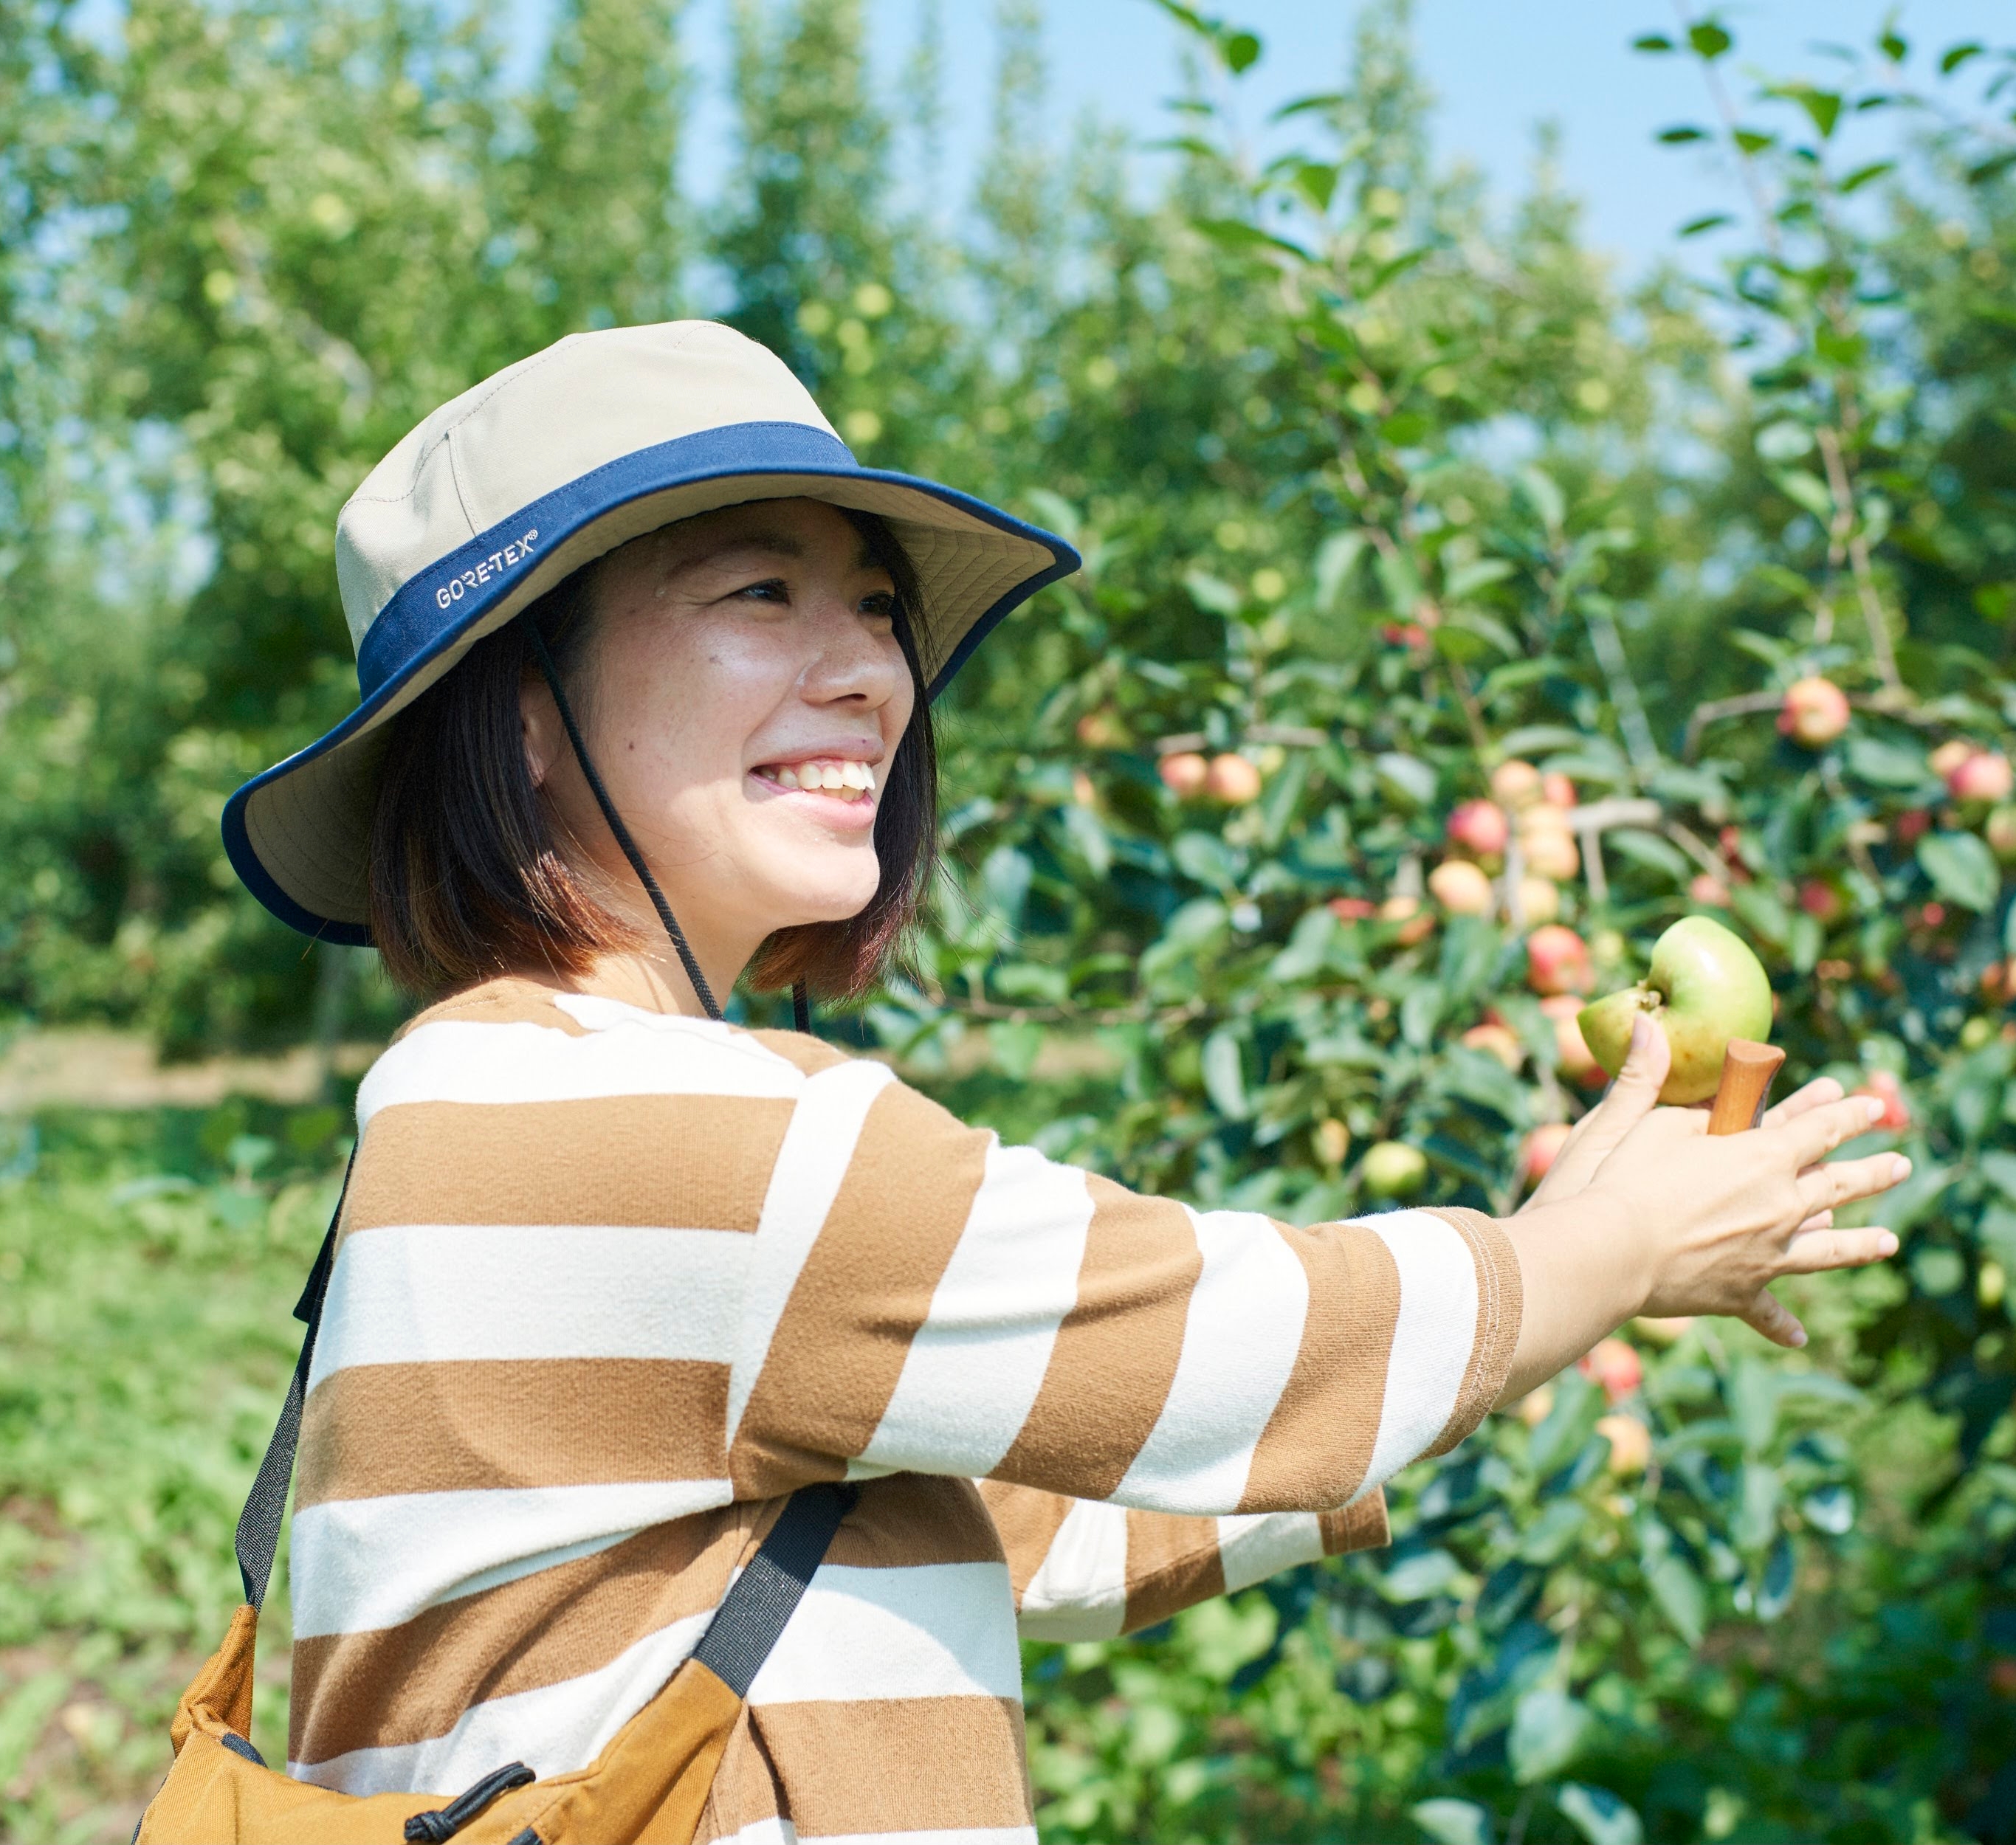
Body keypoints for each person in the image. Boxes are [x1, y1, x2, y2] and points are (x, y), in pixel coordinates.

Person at [216, 320, 1909, 1841]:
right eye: (759, 592)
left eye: (875, 606)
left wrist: (1549, 1283)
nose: (869, 668)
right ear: (520, 711)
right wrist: (1606, 1254)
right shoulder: (687, 1136)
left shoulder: (487, 1105)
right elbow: (1230, 1357)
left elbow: (1043, 1522)